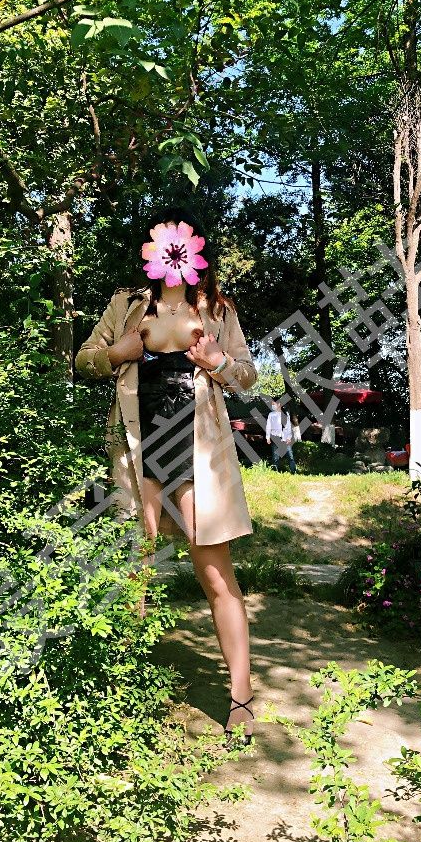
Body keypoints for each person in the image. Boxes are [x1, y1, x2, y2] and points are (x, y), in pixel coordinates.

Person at [74, 206, 258, 746]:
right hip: (137, 442)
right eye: (163, 243)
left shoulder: (218, 307)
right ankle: (123, 696)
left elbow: (246, 377)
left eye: (182, 241)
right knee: (135, 568)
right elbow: (84, 360)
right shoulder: (125, 303)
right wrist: (119, 352)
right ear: (151, 250)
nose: (172, 252)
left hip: (196, 444)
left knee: (215, 572)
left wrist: (217, 362)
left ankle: (242, 697)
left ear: (195, 250)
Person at [266, 399, 297, 474]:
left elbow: (288, 427)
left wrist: (289, 437)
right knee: (275, 457)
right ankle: (275, 472)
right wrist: (268, 437)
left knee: (290, 456)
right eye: (272, 404)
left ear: (279, 404)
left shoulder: (285, 414)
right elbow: (268, 426)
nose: (273, 406)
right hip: (275, 437)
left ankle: (293, 471)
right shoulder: (271, 414)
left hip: (285, 437)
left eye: (274, 404)